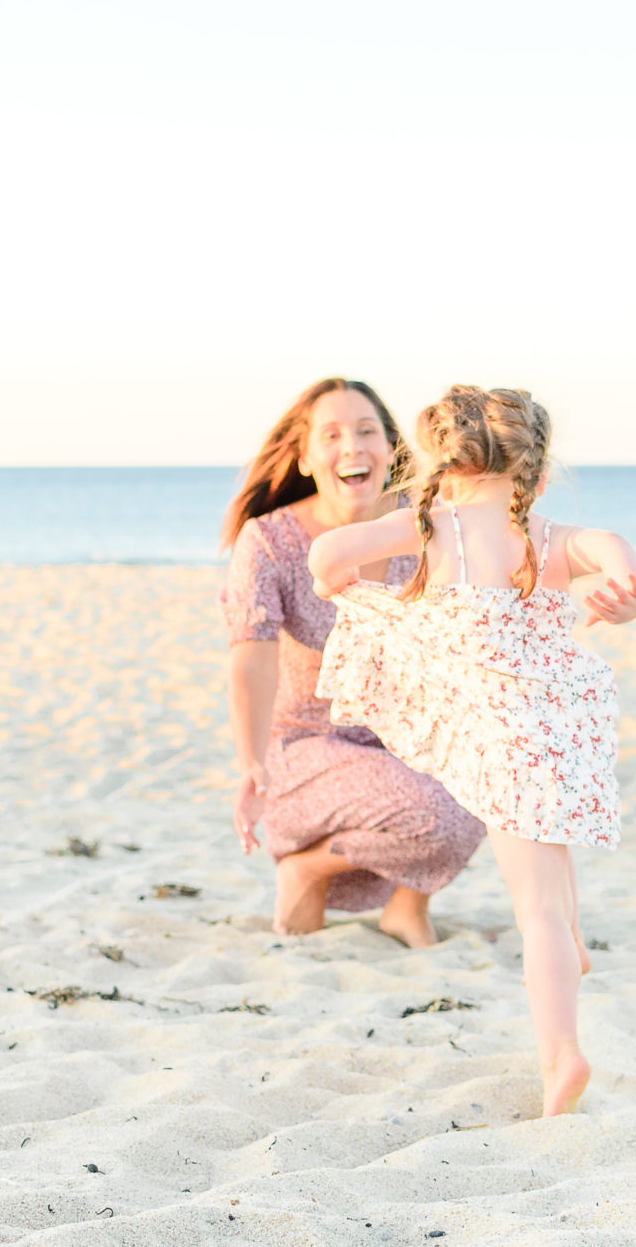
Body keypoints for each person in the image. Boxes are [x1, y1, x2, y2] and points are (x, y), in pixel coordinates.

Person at [307, 385, 636, 1117]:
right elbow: (608, 546)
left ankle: (562, 1054)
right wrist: (629, 588)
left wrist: (346, 587)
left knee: (536, 916)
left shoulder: (433, 525)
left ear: (440, 461)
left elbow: (330, 552)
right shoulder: (547, 537)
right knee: (553, 869)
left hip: (503, 743)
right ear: (534, 470)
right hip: (559, 731)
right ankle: (576, 948)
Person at [220, 377, 487, 947]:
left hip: (404, 740)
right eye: (332, 434)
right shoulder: (269, 540)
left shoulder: (426, 526)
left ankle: (405, 907)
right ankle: (307, 868)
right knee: (437, 813)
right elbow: (251, 658)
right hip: (306, 749)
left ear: (391, 448)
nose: (352, 447)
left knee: (493, 778)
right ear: (305, 456)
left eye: (368, 431)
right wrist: (250, 765)